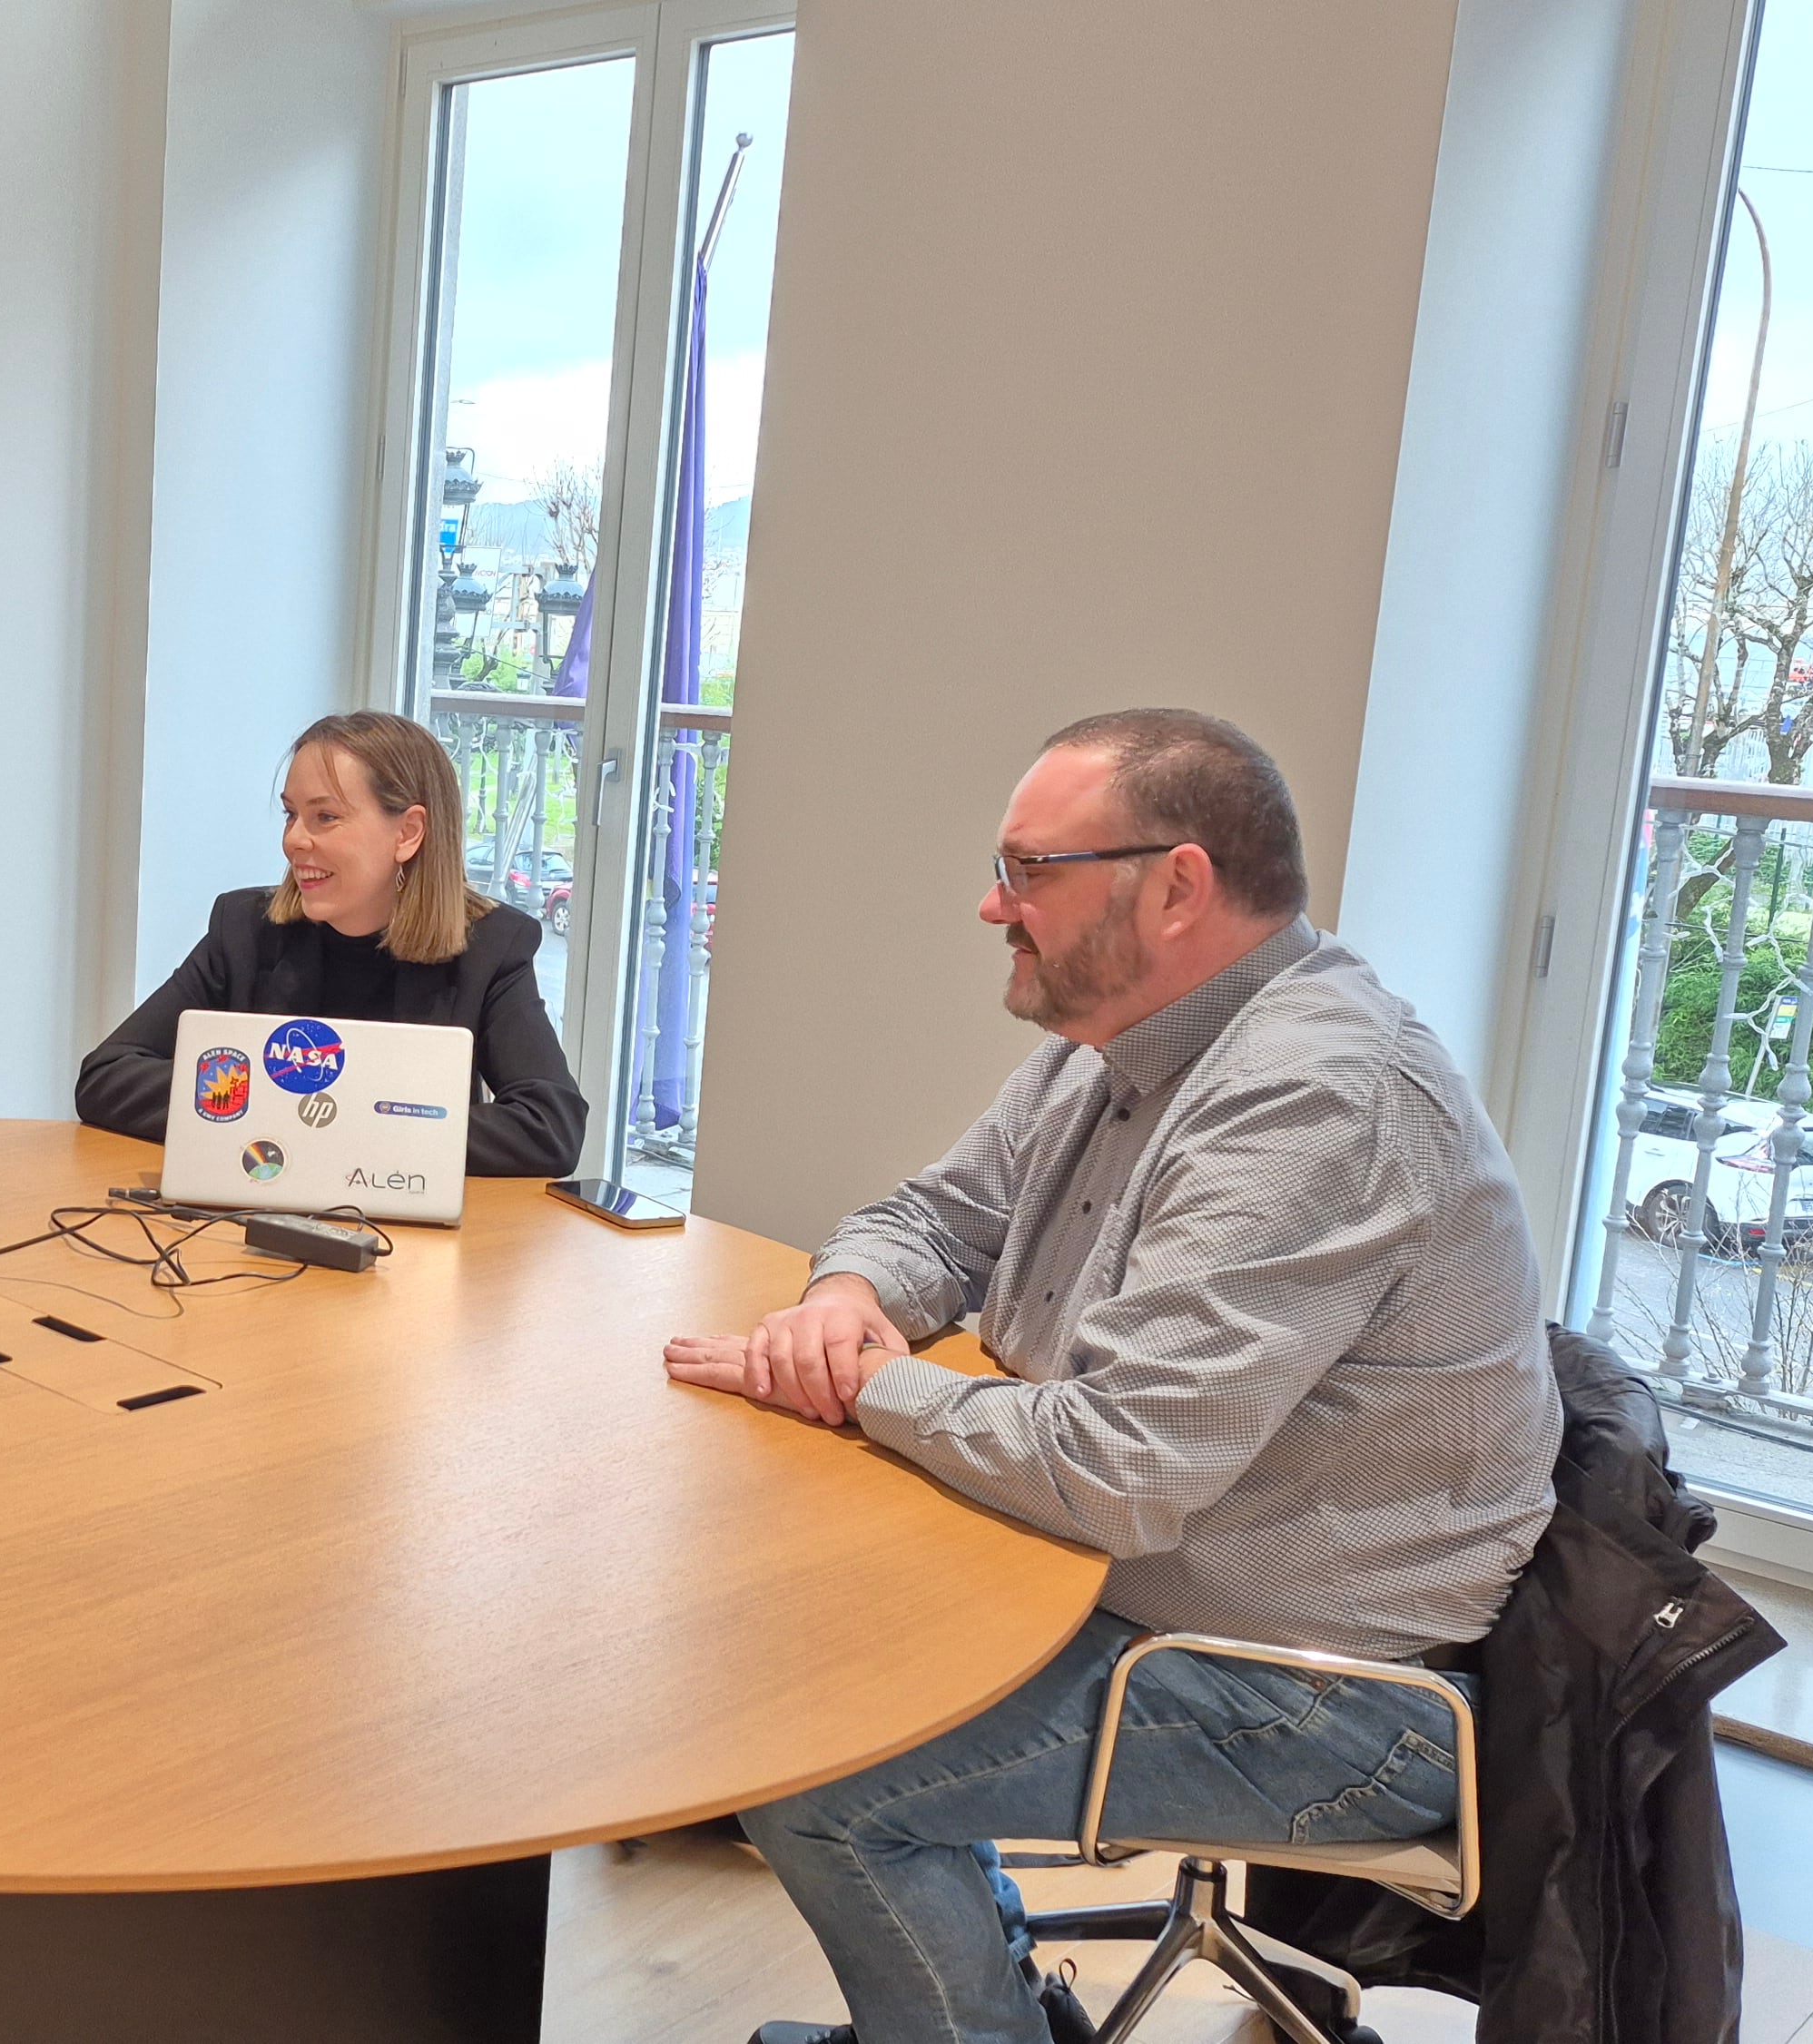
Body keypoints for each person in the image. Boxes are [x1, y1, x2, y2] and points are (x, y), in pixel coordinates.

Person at [657, 710, 1562, 2044]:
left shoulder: (1314, 1096)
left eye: (1030, 871)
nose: (991, 904)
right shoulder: (1125, 1046)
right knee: (785, 1650)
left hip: (1325, 1699)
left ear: (1178, 886)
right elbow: (932, 1221)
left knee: (820, 1775)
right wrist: (847, 1302)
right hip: (1138, 1597)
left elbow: (1116, 1469)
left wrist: (858, 1386)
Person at [76, 709, 586, 1177]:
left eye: (325, 817)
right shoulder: (245, 929)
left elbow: (550, 1127)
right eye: (290, 814)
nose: (294, 840)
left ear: (408, 833)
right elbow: (107, 1077)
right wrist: (286, 1110)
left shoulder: (489, 947)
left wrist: (335, 1121)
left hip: (404, 1247)